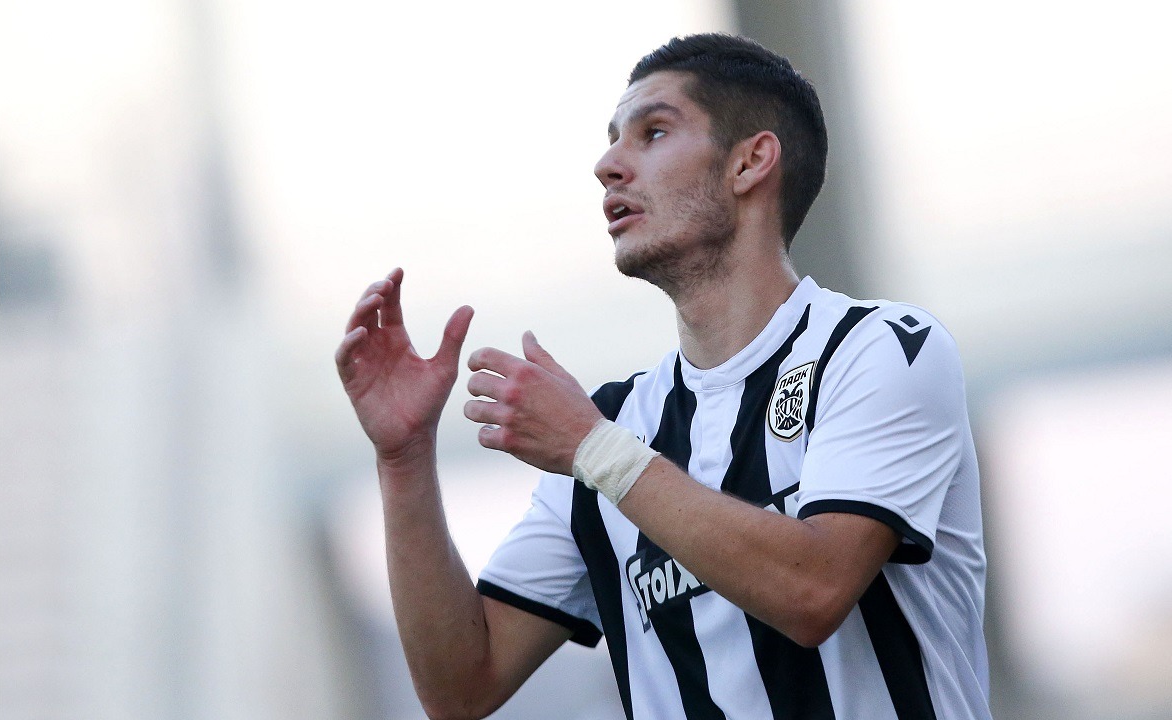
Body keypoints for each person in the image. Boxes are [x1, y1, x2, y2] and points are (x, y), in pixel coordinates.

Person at [336, 33, 990, 720]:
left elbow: (813, 591)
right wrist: (403, 459)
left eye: (652, 132)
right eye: (612, 141)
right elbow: (461, 686)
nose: (607, 166)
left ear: (749, 163)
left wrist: (594, 450)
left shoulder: (880, 348)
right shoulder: (612, 425)